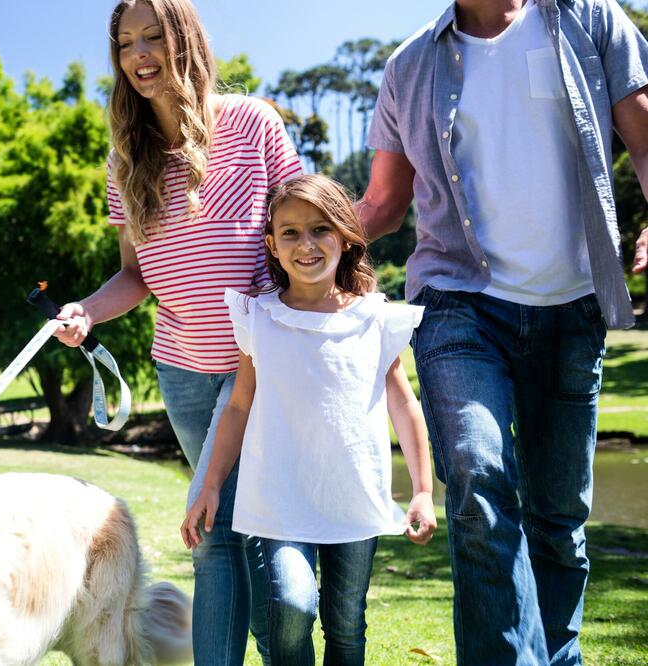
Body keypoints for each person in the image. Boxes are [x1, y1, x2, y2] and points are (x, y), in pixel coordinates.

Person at [359, 0, 648, 662]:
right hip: (458, 300)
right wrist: (289, 241)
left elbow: (645, 141)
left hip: (573, 306)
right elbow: (382, 201)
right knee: (479, 482)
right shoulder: (410, 66)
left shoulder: (592, 23)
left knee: (558, 522)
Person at [52, 1, 302, 661]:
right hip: (184, 369)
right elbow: (134, 275)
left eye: (152, 36)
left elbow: (307, 225)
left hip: (259, 363)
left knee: (254, 530)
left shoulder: (252, 124)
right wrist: (86, 310)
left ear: (184, 38)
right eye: (125, 42)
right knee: (217, 532)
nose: (138, 54)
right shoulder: (125, 159)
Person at [180, 174, 436, 665]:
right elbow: (238, 406)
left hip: (353, 499)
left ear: (344, 236)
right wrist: (211, 484)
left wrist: (422, 489)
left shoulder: (374, 319)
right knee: (293, 605)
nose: (307, 244)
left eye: (320, 229)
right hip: (279, 501)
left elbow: (404, 405)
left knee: (346, 626)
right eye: (291, 233)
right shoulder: (260, 318)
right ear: (273, 246)